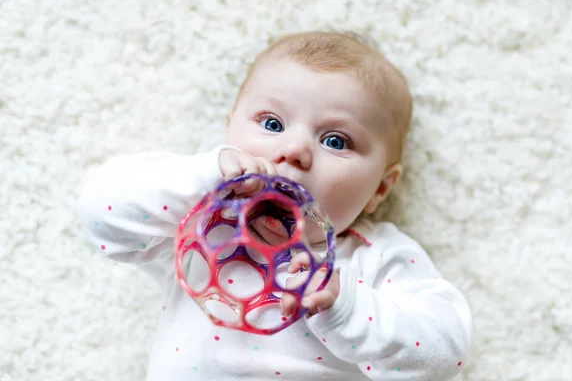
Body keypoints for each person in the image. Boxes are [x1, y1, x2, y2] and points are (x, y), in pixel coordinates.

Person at [77, 31, 472, 380]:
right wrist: (203, 174)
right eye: (271, 123)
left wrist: (350, 308)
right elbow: (99, 213)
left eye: (335, 141)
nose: (294, 149)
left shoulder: (376, 258)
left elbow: (444, 354)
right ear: (230, 128)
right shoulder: (200, 226)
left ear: (380, 189)